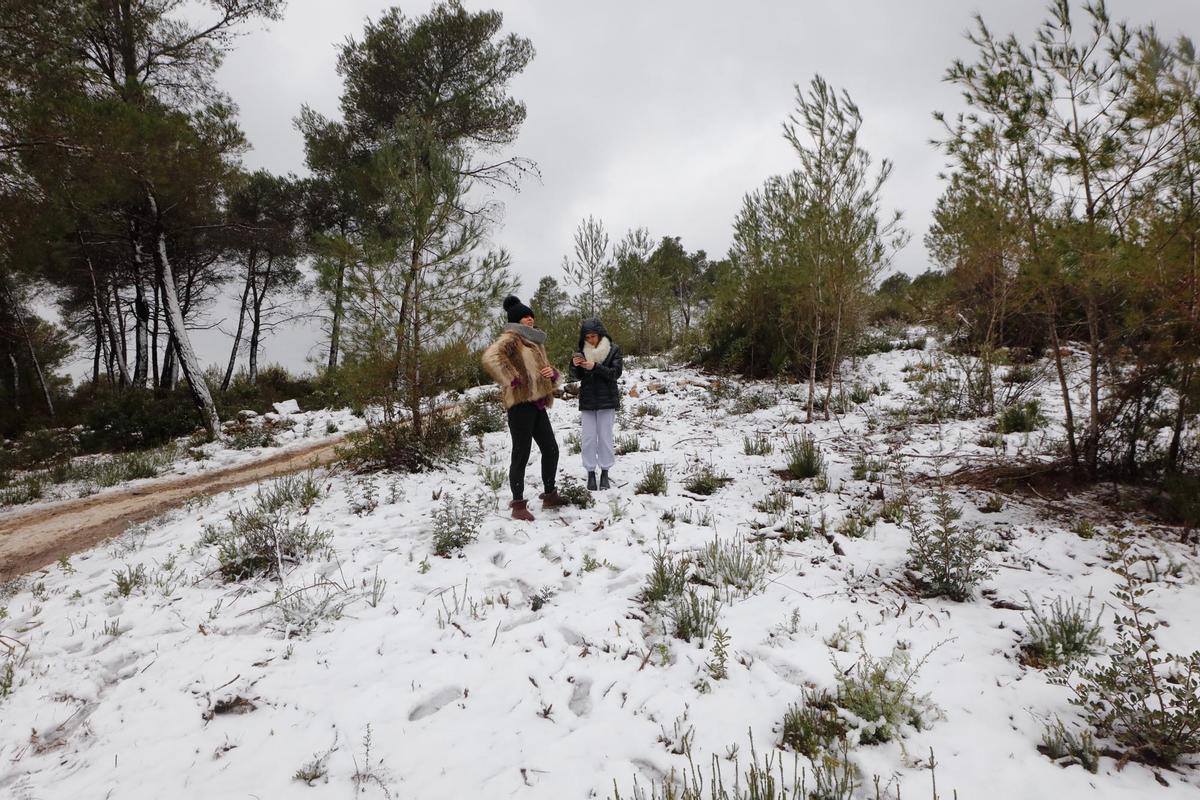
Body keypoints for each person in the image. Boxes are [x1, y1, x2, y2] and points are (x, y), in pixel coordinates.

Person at [481, 295, 564, 521]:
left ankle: (550, 495)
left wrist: (552, 374)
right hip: (520, 407)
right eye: (525, 317)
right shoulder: (512, 338)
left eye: (531, 316)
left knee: (551, 449)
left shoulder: (534, 342)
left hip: (538, 404)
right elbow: (491, 357)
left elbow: (543, 370)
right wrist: (512, 378)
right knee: (521, 453)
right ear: (516, 320)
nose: (530, 319)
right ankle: (518, 505)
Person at [571, 318, 623, 490]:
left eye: (593, 336)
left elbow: (615, 373)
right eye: (587, 337)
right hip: (588, 401)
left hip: (607, 400)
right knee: (588, 439)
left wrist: (595, 367)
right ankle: (591, 472)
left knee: (605, 437)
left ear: (600, 334)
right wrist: (576, 366)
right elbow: (576, 376)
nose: (590, 340)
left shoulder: (613, 350)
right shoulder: (581, 351)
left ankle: (605, 472)